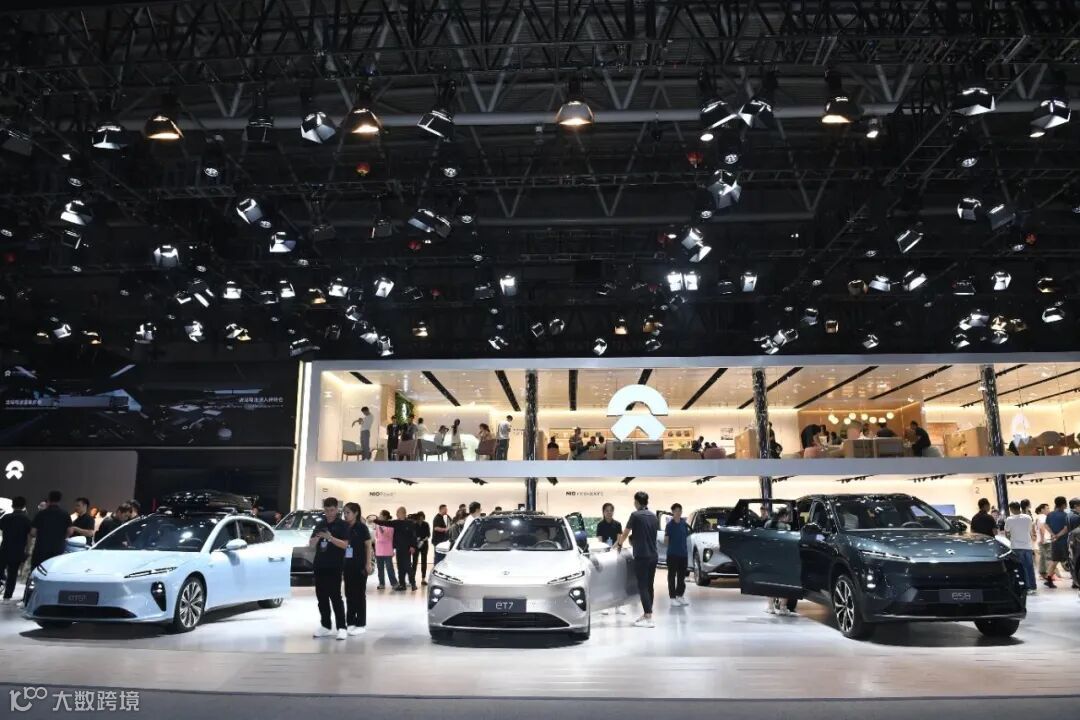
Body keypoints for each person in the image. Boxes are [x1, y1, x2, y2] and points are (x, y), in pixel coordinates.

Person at [614, 491, 659, 628]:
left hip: (642, 555)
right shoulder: (653, 516)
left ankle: (648, 617)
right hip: (653, 555)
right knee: (649, 585)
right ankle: (648, 613)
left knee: (642, 586)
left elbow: (625, 533)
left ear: (637, 502)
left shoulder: (635, 515)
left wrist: (619, 544)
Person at [309, 497, 349, 640]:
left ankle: (342, 627)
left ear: (337, 509)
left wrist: (330, 537)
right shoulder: (320, 524)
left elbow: (345, 545)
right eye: (326, 510)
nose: (329, 513)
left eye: (332, 510)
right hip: (320, 565)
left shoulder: (342, 525)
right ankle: (325, 625)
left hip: (335, 565)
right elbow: (311, 545)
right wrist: (316, 539)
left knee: (335, 596)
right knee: (321, 597)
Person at [341, 502, 373, 636]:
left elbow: (368, 546)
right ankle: (351, 622)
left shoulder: (362, 527)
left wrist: (368, 563)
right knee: (349, 594)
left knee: (359, 594)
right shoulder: (344, 527)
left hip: (360, 564)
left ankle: (361, 623)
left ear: (356, 513)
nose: (345, 515)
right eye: (344, 512)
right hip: (347, 564)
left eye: (348, 512)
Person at [375, 507, 417, 591]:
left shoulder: (410, 523)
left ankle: (413, 583)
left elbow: (413, 536)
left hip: (407, 548)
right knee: (400, 567)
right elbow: (385, 523)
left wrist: (413, 546)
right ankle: (402, 584)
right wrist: (374, 520)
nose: (396, 514)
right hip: (399, 548)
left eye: (398, 512)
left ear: (403, 513)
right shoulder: (396, 522)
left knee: (407, 566)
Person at [0, 496, 31, 603]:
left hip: (4, 548)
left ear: (12, 505)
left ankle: (2, 584)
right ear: (24, 506)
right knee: (12, 574)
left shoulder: (6, 517)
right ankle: (7, 597)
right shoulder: (26, 519)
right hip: (18, 550)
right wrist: (27, 550)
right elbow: (30, 535)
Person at [764, 507, 794, 615]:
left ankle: (770, 607)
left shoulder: (768, 524)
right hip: (784, 558)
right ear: (784, 516)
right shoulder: (787, 527)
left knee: (770, 582)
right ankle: (783, 608)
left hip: (770, 557)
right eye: (788, 516)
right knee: (785, 582)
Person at [1004, 501, 1037, 594]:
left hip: (1016, 546)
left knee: (1021, 568)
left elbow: (1007, 532)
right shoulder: (1028, 517)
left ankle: (1026, 587)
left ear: (1011, 509)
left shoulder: (1009, 519)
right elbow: (1030, 530)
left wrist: (1010, 538)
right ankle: (1033, 586)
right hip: (1028, 546)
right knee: (1030, 567)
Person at [664, 503, 691, 607]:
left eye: (680, 510)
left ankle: (680, 595)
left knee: (681, 577)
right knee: (671, 576)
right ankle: (672, 597)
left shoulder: (684, 524)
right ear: (672, 512)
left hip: (683, 555)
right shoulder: (669, 525)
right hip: (672, 555)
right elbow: (666, 541)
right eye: (676, 511)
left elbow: (686, 537)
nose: (678, 513)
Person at [1044, 496, 1070, 589]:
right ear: (1063, 504)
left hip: (1055, 542)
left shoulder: (1050, 514)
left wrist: (1053, 535)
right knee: (1071, 561)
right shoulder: (1066, 515)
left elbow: (1046, 525)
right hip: (1064, 541)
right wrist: (1058, 535)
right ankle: (1075, 582)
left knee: (1054, 561)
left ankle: (1049, 580)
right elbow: (1066, 529)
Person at [373, 510, 397, 589]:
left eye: (380, 515)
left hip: (387, 550)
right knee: (380, 568)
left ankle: (394, 583)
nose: (379, 516)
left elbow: (389, 537)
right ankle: (381, 584)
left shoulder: (390, 525)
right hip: (379, 550)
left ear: (385, 517)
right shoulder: (377, 525)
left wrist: (381, 529)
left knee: (389, 568)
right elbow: (377, 536)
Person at [1035, 503, 1054, 582]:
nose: (1049, 510)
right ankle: (1050, 575)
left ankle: (1042, 573)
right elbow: (1042, 528)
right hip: (1046, 540)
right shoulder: (1043, 517)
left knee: (1043, 557)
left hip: (1041, 540)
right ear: (1042, 509)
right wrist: (1043, 538)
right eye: (1047, 508)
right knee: (1049, 557)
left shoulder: (1038, 517)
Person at [412, 511, 431, 586]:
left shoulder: (426, 524)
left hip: (424, 544)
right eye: (419, 518)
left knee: (424, 561)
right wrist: (416, 539)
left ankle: (423, 579)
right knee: (414, 561)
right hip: (416, 544)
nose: (421, 519)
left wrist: (423, 540)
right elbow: (412, 534)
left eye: (422, 518)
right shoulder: (414, 525)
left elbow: (428, 535)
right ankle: (412, 578)